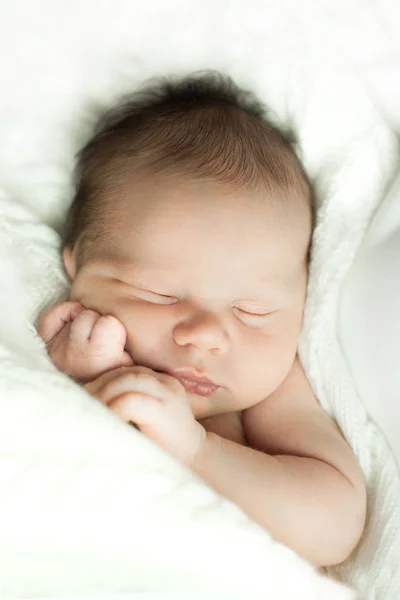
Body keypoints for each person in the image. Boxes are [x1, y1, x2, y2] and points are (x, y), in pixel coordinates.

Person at [37, 72, 366, 567]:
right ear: (76, 266)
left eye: (251, 310)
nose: (208, 334)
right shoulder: (71, 336)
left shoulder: (270, 392)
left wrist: (198, 451)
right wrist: (78, 377)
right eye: (160, 293)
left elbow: (333, 525)